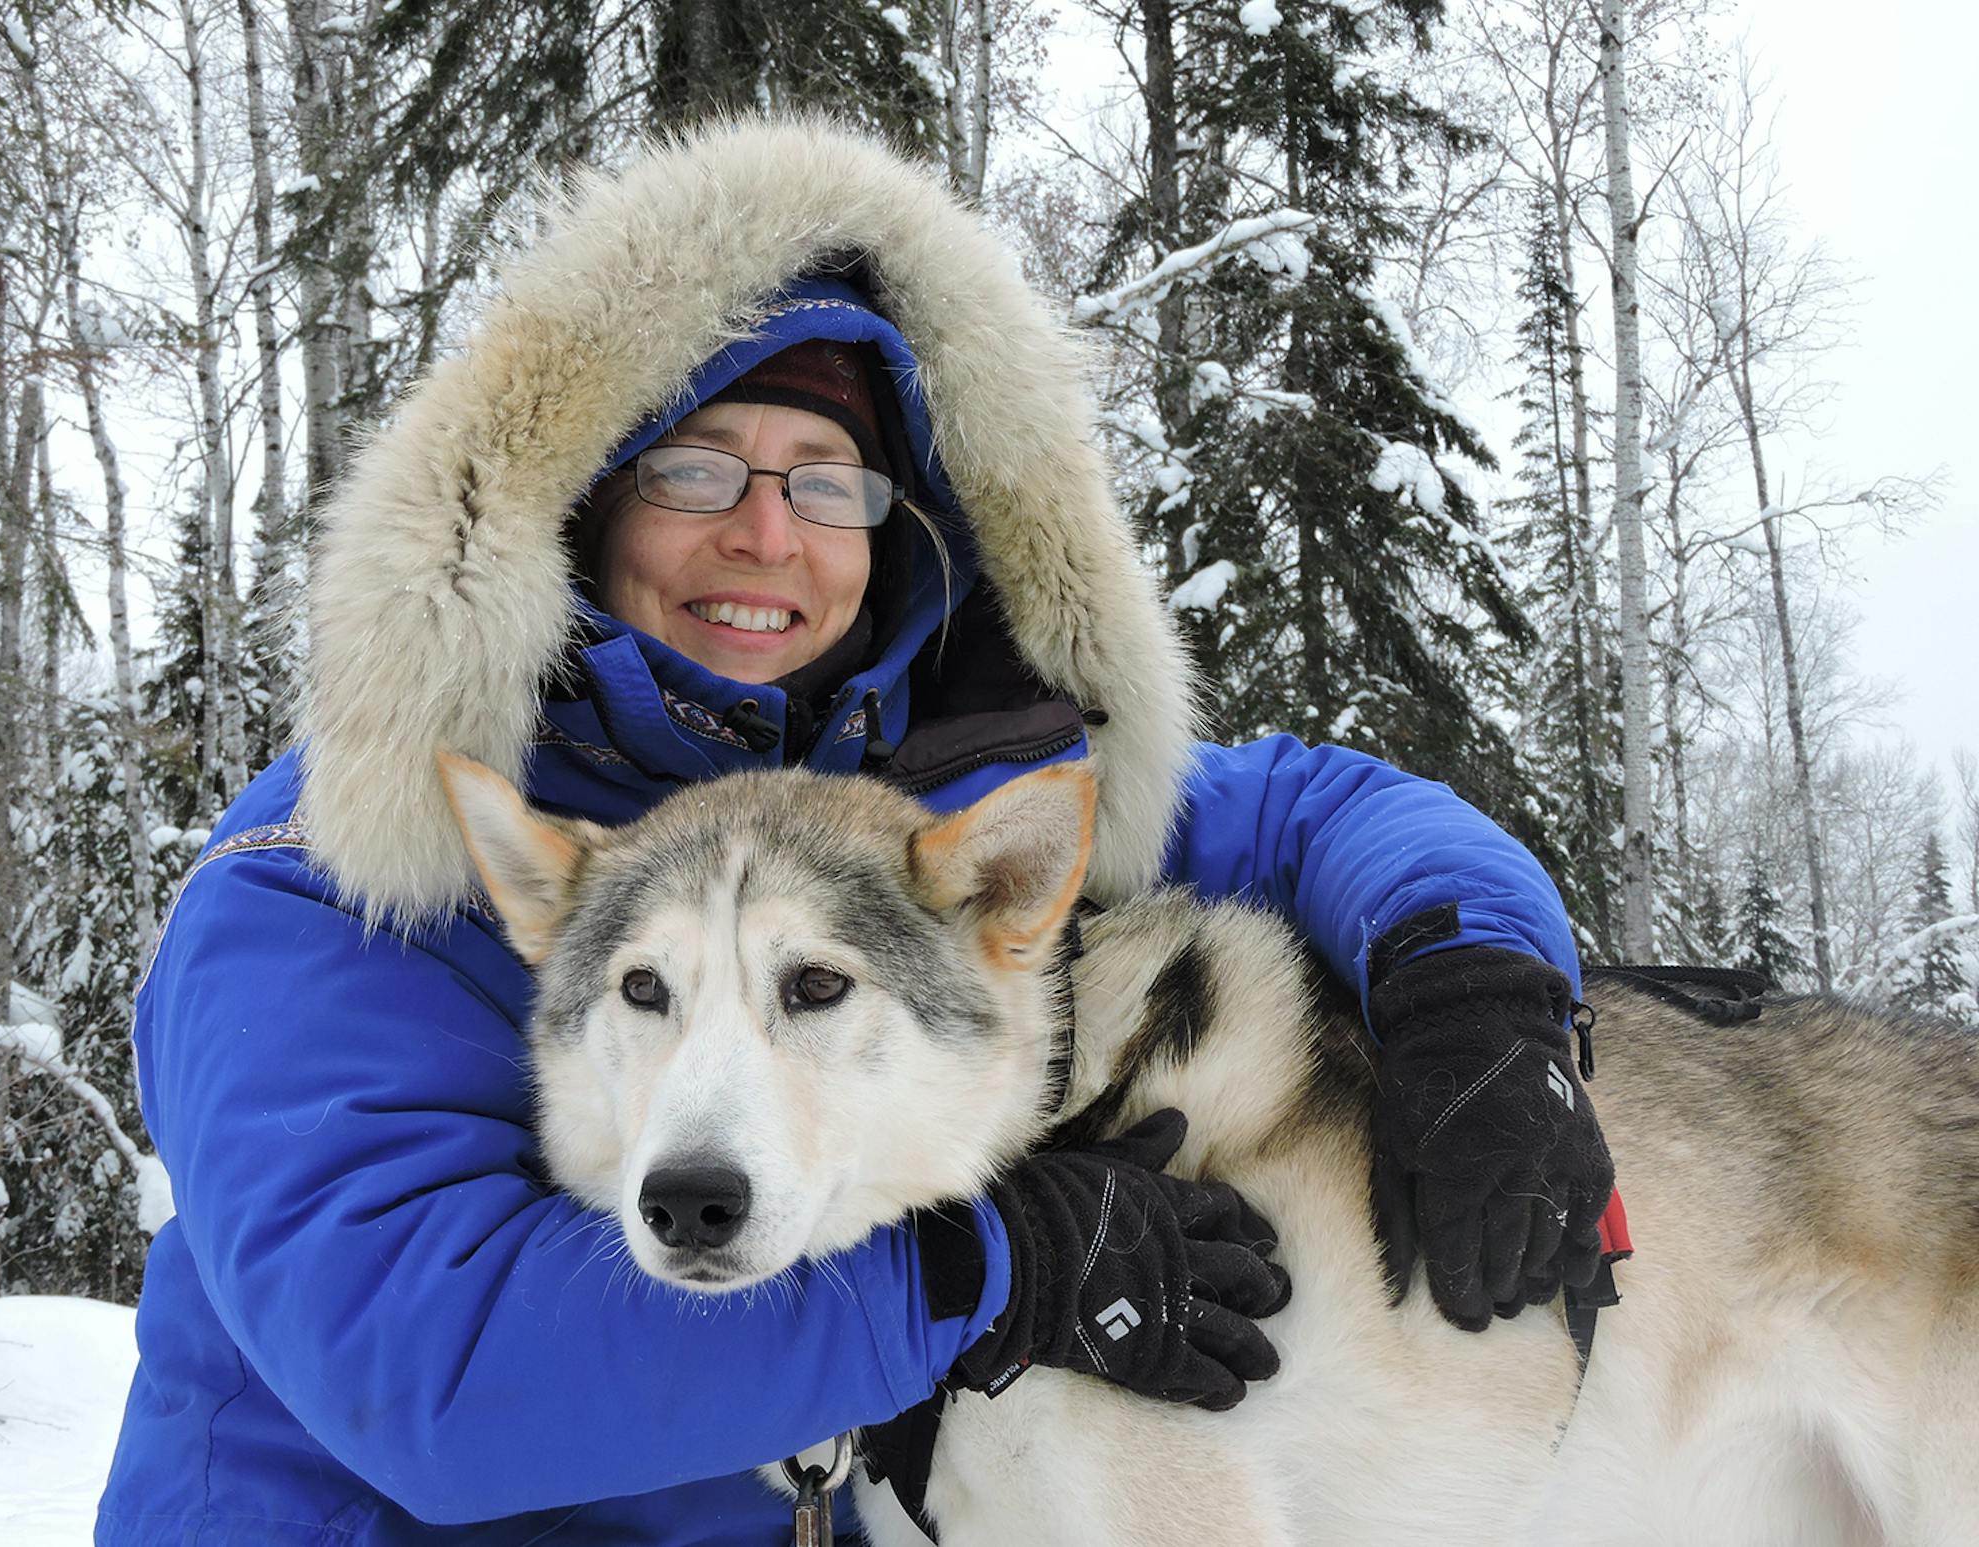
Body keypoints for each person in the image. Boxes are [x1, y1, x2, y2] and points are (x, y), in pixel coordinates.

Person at [96, 120, 1611, 1546]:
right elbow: (429, 1377)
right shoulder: (341, 872)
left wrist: (1471, 979)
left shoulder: (903, 801)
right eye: (697, 469)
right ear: (587, 504)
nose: (765, 534)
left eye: (826, 483)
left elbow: (1306, 809)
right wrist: (985, 1272)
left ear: (891, 535)